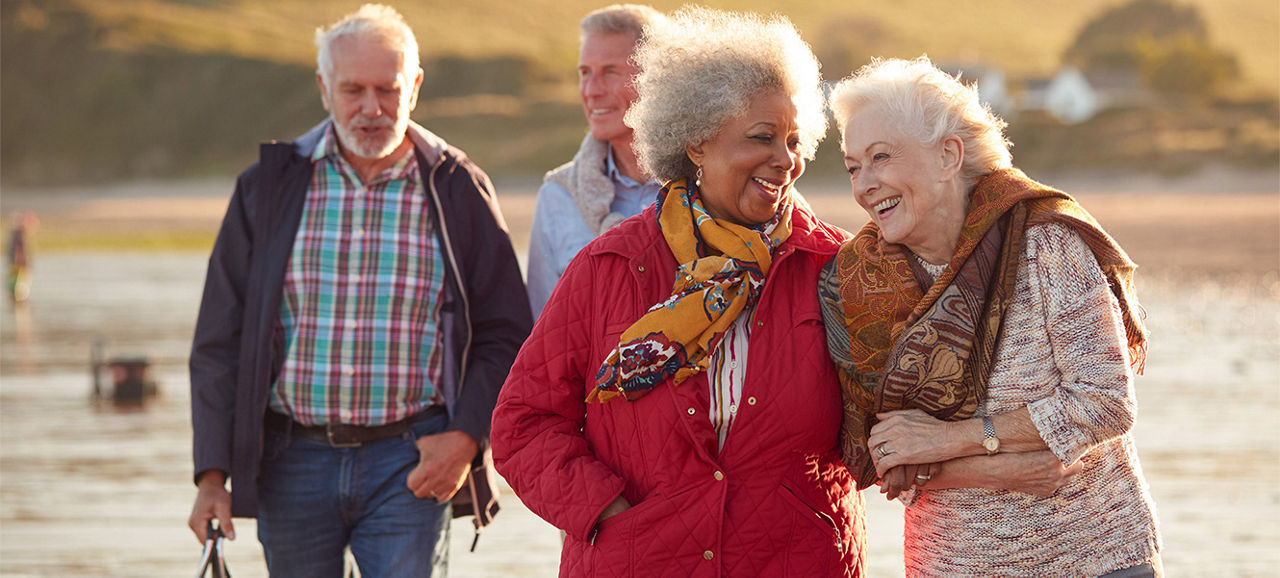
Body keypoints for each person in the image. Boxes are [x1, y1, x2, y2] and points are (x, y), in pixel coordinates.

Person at [492, 7, 865, 576]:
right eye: (761, 137)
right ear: (696, 144)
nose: (785, 160)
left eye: (793, 140)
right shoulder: (608, 266)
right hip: (638, 560)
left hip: (795, 559)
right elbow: (524, 421)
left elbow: (891, 416)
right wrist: (603, 509)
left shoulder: (834, 267)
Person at [185, 5, 532, 576]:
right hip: (289, 462)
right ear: (325, 89)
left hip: (413, 460)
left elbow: (505, 332)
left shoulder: (457, 187)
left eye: (387, 89)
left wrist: (467, 438)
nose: (371, 109)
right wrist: (211, 478)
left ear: (414, 87)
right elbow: (218, 342)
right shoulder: (267, 187)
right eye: (353, 90)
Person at [821, 56, 1161, 576]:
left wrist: (948, 440)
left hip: (1095, 556)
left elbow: (1105, 401)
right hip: (950, 563)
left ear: (948, 155)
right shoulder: (856, 280)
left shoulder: (1046, 243)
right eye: (852, 166)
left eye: (881, 157)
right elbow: (881, 458)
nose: (864, 184)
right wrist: (1012, 469)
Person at [526, 4, 664, 319]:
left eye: (610, 72)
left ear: (657, 79)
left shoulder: (713, 188)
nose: (591, 91)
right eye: (585, 73)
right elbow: (540, 337)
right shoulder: (557, 197)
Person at [6, 211, 37, 303]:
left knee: (16, 287)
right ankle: (18, 303)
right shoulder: (20, 234)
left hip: (17, 265)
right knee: (18, 288)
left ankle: (16, 302)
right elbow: (18, 251)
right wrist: (21, 263)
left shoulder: (17, 234)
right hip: (19, 265)